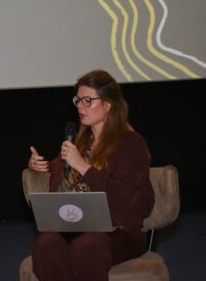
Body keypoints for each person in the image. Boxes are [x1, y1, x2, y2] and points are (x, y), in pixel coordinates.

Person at [26, 70, 154, 281]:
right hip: (76, 226)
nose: (80, 106)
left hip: (119, 231)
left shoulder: (131, 144)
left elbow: (127, 199)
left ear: (108, 105)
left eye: (87, 101)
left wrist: (83, 167)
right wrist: (39, 165)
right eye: (78, 100)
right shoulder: (80, 142)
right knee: (46, 243)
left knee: (88, 245)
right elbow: (60, 172)